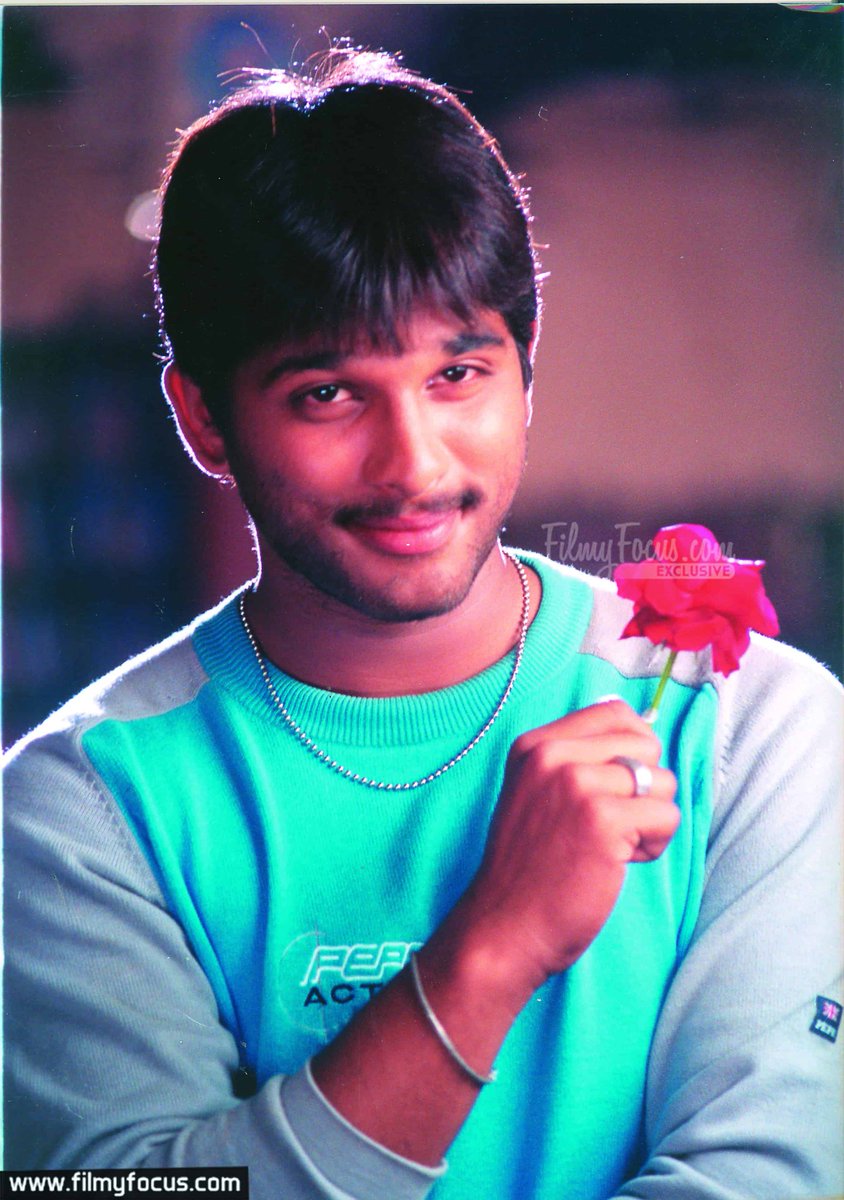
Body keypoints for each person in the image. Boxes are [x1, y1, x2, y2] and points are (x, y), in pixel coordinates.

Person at [4, 49, 842, 1200]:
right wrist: (492, 946)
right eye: (327, 393)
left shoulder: (751, 727)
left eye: (457, 375)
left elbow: (766, 1180)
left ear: (524, 369)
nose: (414, 465)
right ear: (201, 417)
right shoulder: (81, 812)